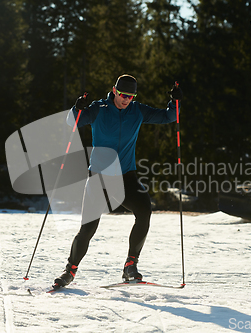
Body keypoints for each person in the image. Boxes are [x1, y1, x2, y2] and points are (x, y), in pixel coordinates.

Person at [54, 74, 183, 287]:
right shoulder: (99, 109)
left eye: (131, 96)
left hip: (126, 177)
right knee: (88, 228)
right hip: (99, 178)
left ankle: (130, 265)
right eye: (123, 95)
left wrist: (176, 101)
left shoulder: (137, 111)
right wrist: (77, 108)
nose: (126, 99)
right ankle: (70, 271)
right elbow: (72, 122)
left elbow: (169, 116)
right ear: (114, 90)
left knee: (144, 210)